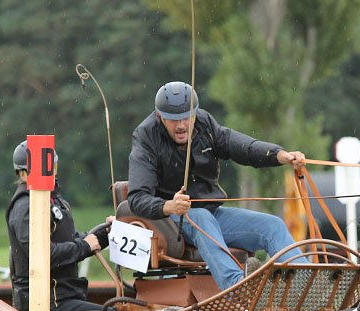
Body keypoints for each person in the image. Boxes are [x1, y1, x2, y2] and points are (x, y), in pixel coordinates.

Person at [127, 81, 308, 289]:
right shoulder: (146, 136)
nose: (181, 126)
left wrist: (279, 155)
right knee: (202, 217)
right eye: (173, 120)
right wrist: (168, 206)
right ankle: (238, 288)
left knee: (273, 225)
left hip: (211, 214)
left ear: (195, 114)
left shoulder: (206, 124)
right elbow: (137, 199)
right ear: (160, 117)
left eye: (187, 118)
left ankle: (305, 287)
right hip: (170, 221)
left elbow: (241, 146)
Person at [6, 141, 110, 311]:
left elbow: (73, 241)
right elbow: (43, 255)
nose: (52, 174)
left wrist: (107, 234)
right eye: (46, 169)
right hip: (45, 304)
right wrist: (85, 246)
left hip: (63, 296)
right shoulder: (25, 206)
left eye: (53, 167)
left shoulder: (55, 201)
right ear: (23, 174)